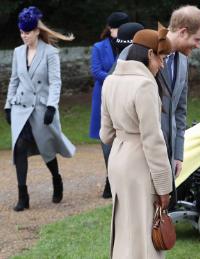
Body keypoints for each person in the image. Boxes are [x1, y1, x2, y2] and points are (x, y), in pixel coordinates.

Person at [99, 28, 173, 259]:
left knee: (124, 227)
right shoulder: (145, 84)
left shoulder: (110, 80)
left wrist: (124, 135)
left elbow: (105, 134)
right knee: (143, 233)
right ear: (150, 54)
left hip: (118, 159)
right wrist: (164, 187)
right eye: (161, 58)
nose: (162, 65)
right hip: (139, 162)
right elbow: (153, 141)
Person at [4, 6, 76, 212]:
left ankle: (56, 178)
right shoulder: (18, 52)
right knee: (19, 148)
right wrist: (8, 105)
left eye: (27, 32)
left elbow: (55, 82)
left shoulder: (50, 52)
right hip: (20, 108)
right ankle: (23, 196)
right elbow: (14, 80)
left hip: (42, 109)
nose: (23, 36)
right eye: (21, 32)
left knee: (47, 149)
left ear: (36, 31)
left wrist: (52, 106)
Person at [155, 5, 200, 178]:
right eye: (197, 39)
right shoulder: (143, 51)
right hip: (141, 153)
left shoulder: (183, 60)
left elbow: (180, 110)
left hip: (169, 155)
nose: (198, 45)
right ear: (183, 32)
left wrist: (178, 154)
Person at [89, 11, 129, 199]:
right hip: (104, 97)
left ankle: (121, 179)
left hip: (126, 98)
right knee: (106, 141)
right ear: (110, 29)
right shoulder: (98, 47)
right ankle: (109, 178)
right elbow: (96, 71)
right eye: (118, 28)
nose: (121, 31)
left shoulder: (130, 47)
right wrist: (117, 79)